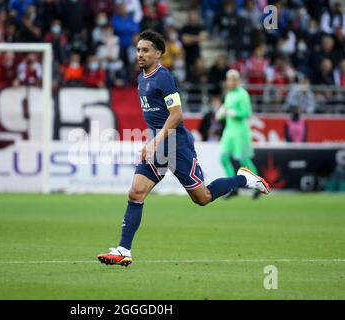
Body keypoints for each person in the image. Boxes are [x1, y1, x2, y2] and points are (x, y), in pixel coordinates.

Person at [97, 31, 270, 267]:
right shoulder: (142, 78)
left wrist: (155, 141)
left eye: (146, 50)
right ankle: (123, 250)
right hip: (159, 144)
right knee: (135, 193)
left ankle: (244, 179)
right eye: (138, 50)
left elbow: (177, 115)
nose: (140, 54)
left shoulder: (164, 78)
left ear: (158, 54)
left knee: (202, 198)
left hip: (176, 145)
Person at [215, 69, 261, 200]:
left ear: (237, 80)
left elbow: (247, 113)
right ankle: (232, 188)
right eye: (228, 79)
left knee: (244, 160)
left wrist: (233, 113)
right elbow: (226, 112)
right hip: (229, 132)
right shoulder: (229, 94)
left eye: (232, 79)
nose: (229, 82)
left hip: (241, 132)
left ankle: (258, 186)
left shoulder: (243, 94)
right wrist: (222, 113)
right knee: (223, 158)